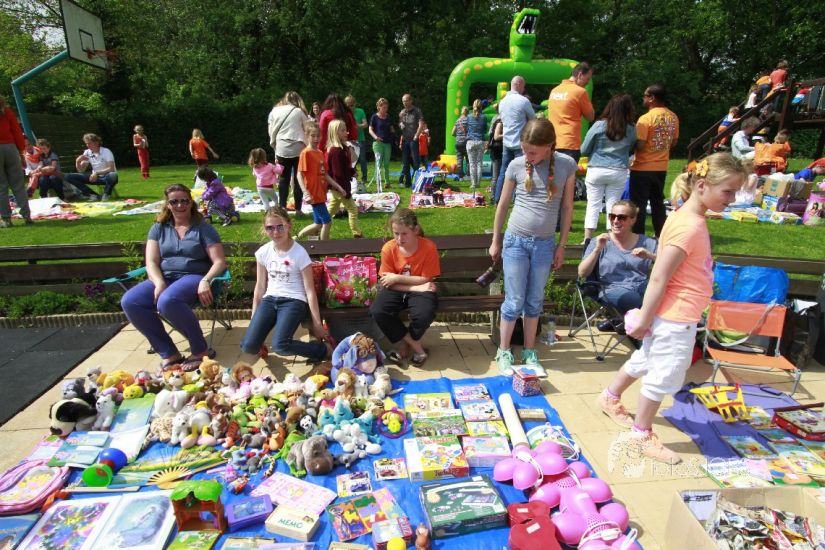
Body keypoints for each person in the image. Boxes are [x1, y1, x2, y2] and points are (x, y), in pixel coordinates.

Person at [596, 153, 746, 464]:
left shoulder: (686, 218)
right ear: (702, 186)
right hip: (676, 316)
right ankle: (641, 435)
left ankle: (609, 396)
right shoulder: (688, 225)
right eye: (728, 191)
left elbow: (668, 266)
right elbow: (659, 277)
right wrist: (644, 319)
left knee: (646, 359)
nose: (732, 199)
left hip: (673, 312)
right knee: (662, 374)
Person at [488, 118, 576, 375]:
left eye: (533, 152)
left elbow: (567, 207)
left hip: (544, 245)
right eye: (525, 150)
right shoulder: (516, 165)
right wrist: (496, 240)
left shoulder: (566, 165)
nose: (528, 156)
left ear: (549, 146)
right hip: (516, 241)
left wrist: (562, 245)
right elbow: (503, 205)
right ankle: (504, 351)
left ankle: (529, 351)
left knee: (534, 301)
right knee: (514, 300)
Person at [121, 183, 227, 371]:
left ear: (191, 202)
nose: (180, 205)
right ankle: (169, 353)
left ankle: (200, 350)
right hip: (165, 277)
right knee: (130, 301)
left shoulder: (203, 229)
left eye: (184, 201)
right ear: (167, 204)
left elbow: (219, 262)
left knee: (167, 301)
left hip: (194, 277)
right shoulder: (158, 228)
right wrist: (159, 282)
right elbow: (151, 261)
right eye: (174, 201)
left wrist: (205, 280)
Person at [239, 206, 332, 365]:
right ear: (264, 229)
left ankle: (322, 350)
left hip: (293, 300)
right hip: (270, 300)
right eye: (270, 228)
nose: (275, 232)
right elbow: (260, 287)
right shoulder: (263, 252)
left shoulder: (299, 253)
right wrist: (254, 316)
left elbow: (309, 290)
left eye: (280, 226)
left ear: (289, 225)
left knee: (280, 346)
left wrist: (317, 323)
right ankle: (258, 344)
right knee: (248, 346)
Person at [369, 208, 440, 367]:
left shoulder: (428, 247)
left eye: (404, 234)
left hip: (419, 287)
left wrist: (397, 277)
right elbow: (387, 282)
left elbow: (427, 278)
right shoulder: (389, 248)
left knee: (424, 314)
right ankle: (416, 347)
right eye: (396, 234)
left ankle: (404, 344)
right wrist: (416, 288)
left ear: (415, 230)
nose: (399, 238)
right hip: (401, 288)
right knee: (378, 311)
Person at [578, 200, 657, 319]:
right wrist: (597, 249)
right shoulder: (599, 241)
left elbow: (669, 265)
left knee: (662, 290)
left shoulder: (648, 243)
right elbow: (582, 273)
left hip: (641, 286)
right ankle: (634, 325)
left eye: (621, 217)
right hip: (611, 289)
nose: (615, 221)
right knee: (634, 299)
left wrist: (650, 255)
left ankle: (625, 323)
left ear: (633, 220)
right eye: (612, 216)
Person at [580, 93, 637, 241]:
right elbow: (631, 147)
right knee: (613, 207)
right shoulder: (631, 128)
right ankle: (612, 238)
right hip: (618, 170)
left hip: (596, 169)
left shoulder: (599, 125)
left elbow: (584, 149)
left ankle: (587, 239)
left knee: (593, 204)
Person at [629, 84, 679, 237]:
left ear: (652, 98)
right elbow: (674, 142)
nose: (643, 98)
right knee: (657, 202)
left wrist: (630, 146)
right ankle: (660, 234)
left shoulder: (645, 118)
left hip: (642, 167)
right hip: (661, 167)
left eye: (645, 96)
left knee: (639, 204)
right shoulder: (673, 117)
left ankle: (637, 235)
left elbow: (641, 144)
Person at [296, 123, 346, 240]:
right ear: (307, 135)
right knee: (327, 222)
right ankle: (325, 246)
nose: (316, 139)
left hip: (321, 193)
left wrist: (339, 187)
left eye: (318, 136)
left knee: (318, 224)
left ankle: (296, 238)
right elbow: (299, 174)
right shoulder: (306, 153)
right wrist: (305, 192)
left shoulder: (319, 153)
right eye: (313, 136)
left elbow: (325, 175)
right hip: (313, 194)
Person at [493, 76, 535, 204]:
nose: (524, 89)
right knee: (521, 172)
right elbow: (533, 119)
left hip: (506, 142)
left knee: (503, 172)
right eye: (523, 86)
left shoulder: (502, 102)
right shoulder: (523, 101)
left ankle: (497, 199)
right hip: (520, 142)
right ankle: (518, 199)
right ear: (519, 85)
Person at [268, 91, 309, 213]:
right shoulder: (299, 111)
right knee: (298, 178)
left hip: (281, 147)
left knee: (283, 179)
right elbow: (307, 129)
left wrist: (275, 147)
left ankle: (282, 206)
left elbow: (270, 130)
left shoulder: (275, 111)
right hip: (298, 147)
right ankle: (298, 209)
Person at [547, 62, 595, 163]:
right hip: (570, 144)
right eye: (587, 78)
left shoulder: (554, 91)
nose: (588, 82)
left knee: (552, 172)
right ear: (580, 74)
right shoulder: (580, 92)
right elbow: (590, 117)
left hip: (552, 142)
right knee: (568, 173)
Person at [326, 119, 362, 238]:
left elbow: (344, 167)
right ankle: (357, 233)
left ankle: (317, 227)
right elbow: (338, 174)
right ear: (335, 133)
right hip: (339, 187)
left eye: (346, 130)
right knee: (353, 209)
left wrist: (352, 172)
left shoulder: (343, 148)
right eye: (342, 130)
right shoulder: (336, 151)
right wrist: (344, 190)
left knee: (330, 211)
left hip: (339, 187)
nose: (346, 132)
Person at [0, 95, 30, 227]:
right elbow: (17, 132)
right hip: (11, 148)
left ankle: (6, 219)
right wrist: (21, 151)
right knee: (18, 184)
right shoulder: (7, 112)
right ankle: (27, 216)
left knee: (1, 187)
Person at [64, 133, 119, 202]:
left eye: (89, 143)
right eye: (86, 143)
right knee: (68, 176)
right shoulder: (87, 152)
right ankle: (93, 195)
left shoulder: (106, 151)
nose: (87, 145)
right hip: (94, 178)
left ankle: (106, 195)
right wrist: (77, 161)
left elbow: (111, 168)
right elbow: (81, 170)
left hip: (106, 177)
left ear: (96, 142)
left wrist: (96, 173)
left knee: (113, 175)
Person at [398, 93, 424, 188]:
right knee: (405, 163)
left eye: (406, 101)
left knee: (416, 162)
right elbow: (401, 126)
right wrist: (400, 119)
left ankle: (418, 181)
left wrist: (416, 135)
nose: (404, 103)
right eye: (403, 101)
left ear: (410, 101)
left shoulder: (417, 111)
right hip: (405, 140)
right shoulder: (402, 112)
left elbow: (421, 124)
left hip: (413, 140)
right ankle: (408, 183)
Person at [369, 97, 395, 192]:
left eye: (386, 107)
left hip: (387, 143)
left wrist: (393, 133)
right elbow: (370, 129)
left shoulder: (388, 117)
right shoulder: (374, 117)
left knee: (387, 164)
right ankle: (378, 182)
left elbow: (391, 128)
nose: (385, 109)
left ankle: (387, 183)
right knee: (378, 164)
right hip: (378, 144)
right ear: (379, 107)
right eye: (383, 107)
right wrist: (375, 137)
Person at [345, 95, 369, 184]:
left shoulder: (360, 111)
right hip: (349, 140)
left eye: (351, 105)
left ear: (355, 104)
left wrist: (356, 126)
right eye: (348, 105)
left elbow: (365, 124)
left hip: (360, 139)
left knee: (362, 159)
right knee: (352, 160)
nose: (350, 107)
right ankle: (353, 177)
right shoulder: (344, 113)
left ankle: (364, 177)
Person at [465, 99, 487, 191]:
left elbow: (467, 128)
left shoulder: (469, 116)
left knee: (472, 164)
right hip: (480, 141)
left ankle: (473, 183)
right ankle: (478, 183)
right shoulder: (484, 117)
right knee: (479, 163)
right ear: (481, 107)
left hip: (470, 142)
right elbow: (485, 129)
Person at [451, 106, 469, 179]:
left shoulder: (458, 120)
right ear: (467, 112)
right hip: (466, 142)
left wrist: (458, 136)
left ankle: (461, 176)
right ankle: (468, 175)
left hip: (458, 143)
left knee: (459, 160)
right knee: (468, 159)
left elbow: (452, 133)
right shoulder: (468, 120)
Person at [488, 106, 504, 189]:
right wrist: (507, 134)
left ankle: (496, 192)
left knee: (497, 174)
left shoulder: (496, 119)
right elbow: (496, 136)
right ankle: (494, 194)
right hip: (497, 149)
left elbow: (490, 132)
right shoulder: (499, 121)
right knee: (496, 175)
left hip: (498, 149)